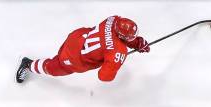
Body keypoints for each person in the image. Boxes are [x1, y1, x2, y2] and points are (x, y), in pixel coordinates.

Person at [16, 16, 150, 83]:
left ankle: (31, 64)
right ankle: (28, 64)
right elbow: (104, 77)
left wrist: (137, 43)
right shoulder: (118, 52)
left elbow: (116, 39)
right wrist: (114, 62)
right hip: (74, 58)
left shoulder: (114, 19)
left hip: (77, 36)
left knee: (59, 57)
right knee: (53, 67)